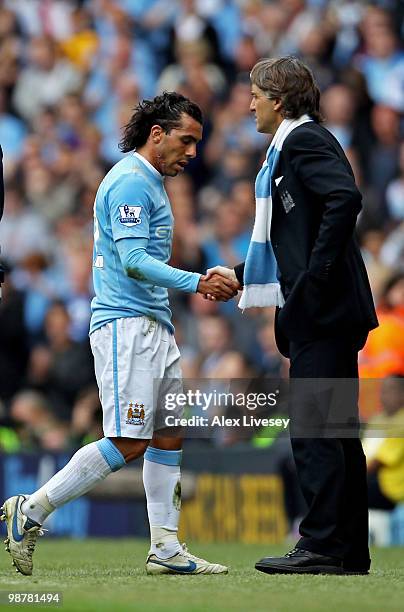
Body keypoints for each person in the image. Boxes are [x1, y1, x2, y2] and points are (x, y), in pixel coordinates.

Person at [1, 92, 237, 576]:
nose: (192, 152)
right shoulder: (130, 181)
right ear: (158, 135)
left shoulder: (149, 181)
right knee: (128, 439)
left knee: (169, 434)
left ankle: (165, 548)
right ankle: (30, 510)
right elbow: (132, 261)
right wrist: (197, 281)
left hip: (155, 323)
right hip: (125, 325)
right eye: (186, 140)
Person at [207, 57, 378, 575]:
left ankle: (323, 543)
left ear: (278, 99)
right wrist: (243, 271)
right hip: (325, 311)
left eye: (256, 93)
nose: (249, 102)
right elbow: (291, 240)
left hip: (323, 313)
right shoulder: (293, 146)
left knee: (315, 430)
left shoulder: (302, 141)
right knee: (335, 431)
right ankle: (347, 547)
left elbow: (344, 198)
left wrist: (314, 281)